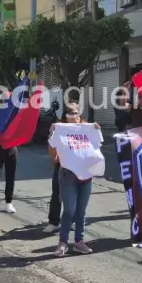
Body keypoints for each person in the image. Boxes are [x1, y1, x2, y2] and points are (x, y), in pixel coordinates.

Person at [48, 103, 104, 257]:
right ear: (65, 116)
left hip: (86, 175)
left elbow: (97, 145)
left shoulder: (88, 129)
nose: (72, 115)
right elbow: (52, 150)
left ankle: (79, 242)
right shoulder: (60, 130)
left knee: (81, 211)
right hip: (68, 175)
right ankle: (63, 243)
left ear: (80, 115)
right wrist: (53, 134)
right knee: (69, 210)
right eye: (69, 113)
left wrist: (96, 129)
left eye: (75, 113)